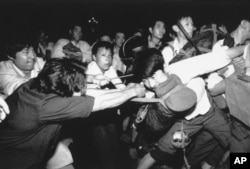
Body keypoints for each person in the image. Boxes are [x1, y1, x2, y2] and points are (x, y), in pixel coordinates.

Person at [0, 57, 145, 169]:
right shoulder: (49, 105)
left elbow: (81, 91)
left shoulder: (38, 82)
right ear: (65, 92)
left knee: (64, 159)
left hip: (38, 146)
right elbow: (100, 102)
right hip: (14, 161)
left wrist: (98, 80)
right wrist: (133, 91)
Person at [132, 46, 247, 169]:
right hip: (184, 122)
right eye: (145, 80)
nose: (152, 84)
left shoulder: (181, 69)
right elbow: (140, 117)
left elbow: (220, 57)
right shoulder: (149, 88)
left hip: (210, 113)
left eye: (154, 76)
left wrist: (247, 47)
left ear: (165, 67)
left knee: (240, 148)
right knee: (158, 153)